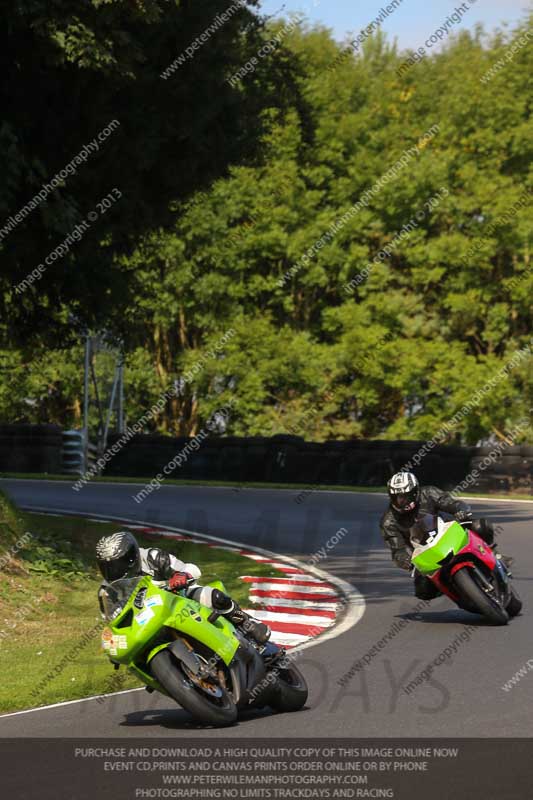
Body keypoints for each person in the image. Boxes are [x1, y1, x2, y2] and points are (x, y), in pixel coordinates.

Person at [95, 531, 270, 643]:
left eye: (118, 565)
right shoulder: (107, 591)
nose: (114, 572)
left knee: (214, 596)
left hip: (180, 600)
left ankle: (248, 624)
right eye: (108, 567)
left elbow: (192, 569)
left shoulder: (152, 557)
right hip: (146, 622)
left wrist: (180, 576)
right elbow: (112, 621)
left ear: (132, 557)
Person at [380, 471, 501, 600]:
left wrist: (459, 510)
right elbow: (397, 549)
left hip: (447, 534)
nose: (401, 501)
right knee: (423, 590)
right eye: (396, 497)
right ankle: (456, 591)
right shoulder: (388, 522)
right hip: (425, 553)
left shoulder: (429, 493)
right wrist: (406, 560)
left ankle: (493, 553)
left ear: (415, 492)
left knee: (480, 525)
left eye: (405, 496)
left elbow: (450, 503)